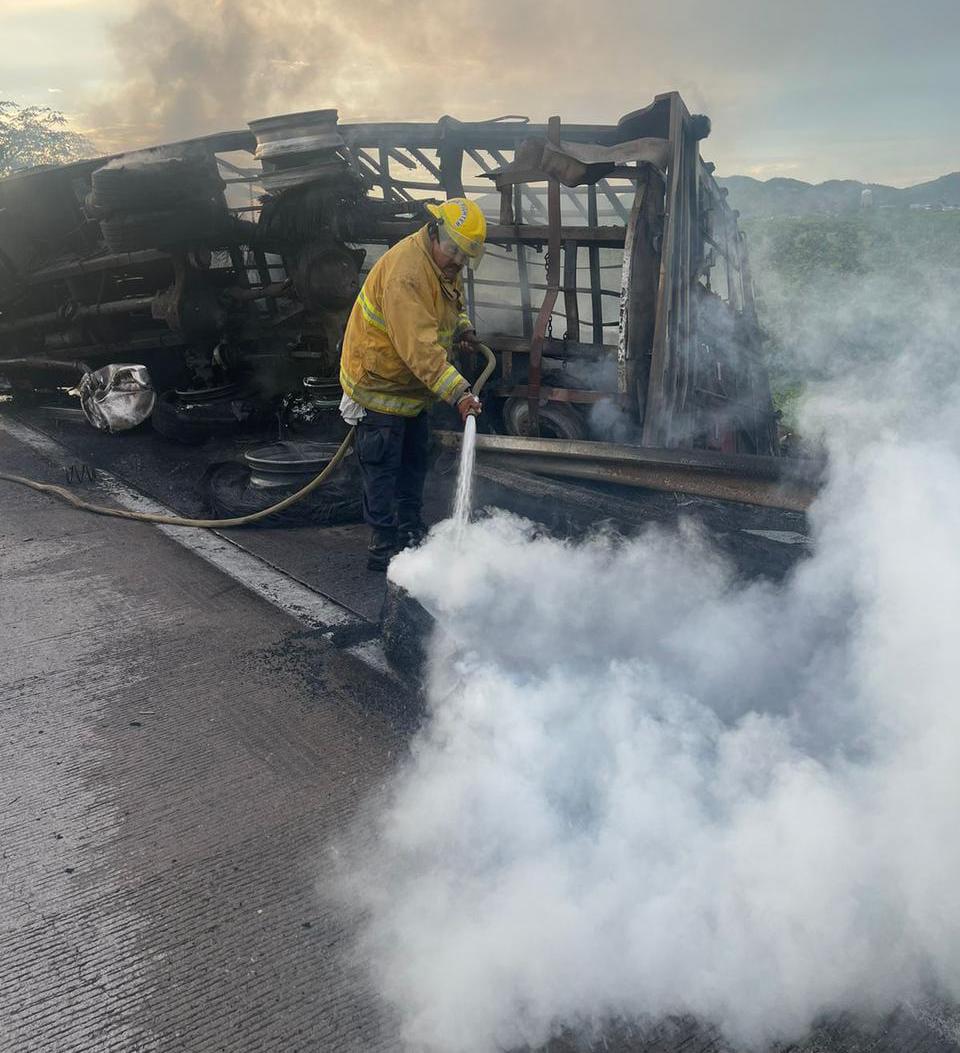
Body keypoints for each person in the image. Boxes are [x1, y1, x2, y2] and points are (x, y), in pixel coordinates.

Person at [339, 197, 486, 570]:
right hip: (381, 382)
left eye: (463, 256)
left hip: (411, 389)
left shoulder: (441, 267)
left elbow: (450, 301)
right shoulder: (407, 273)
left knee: (413, 461)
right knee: (384, 464)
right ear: (435, 232)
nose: (456, 261)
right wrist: (459, 393)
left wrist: (463, 327)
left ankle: (408, 530)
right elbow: (419, 346)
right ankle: (382, 547)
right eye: (452, 251)